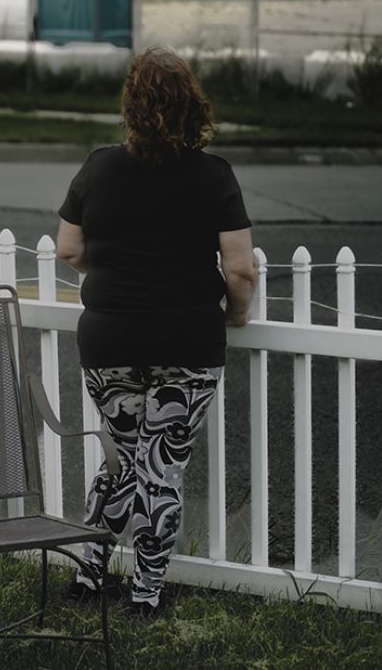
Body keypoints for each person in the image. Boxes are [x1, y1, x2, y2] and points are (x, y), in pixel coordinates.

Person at [55, 46, 257, 617]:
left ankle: (87, 578)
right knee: (160, 468)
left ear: (130, 107)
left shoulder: (99, 166)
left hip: (110, 342)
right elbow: (240, 267)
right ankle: (144, 595)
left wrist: (118, 273)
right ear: (194, 107)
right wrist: (237, 313)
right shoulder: (213, 175)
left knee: (121, 461)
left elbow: (70, 248)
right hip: (185, 344)